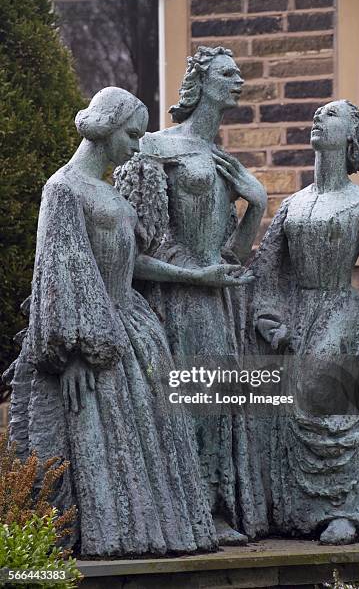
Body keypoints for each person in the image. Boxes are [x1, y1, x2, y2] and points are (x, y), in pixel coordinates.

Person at [6, 87, 251, 557]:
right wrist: (72, 354)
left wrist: (197, 275)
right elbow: (59, 274)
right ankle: (113, 539)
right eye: (132, 135)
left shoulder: (107, 191)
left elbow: (131, 262)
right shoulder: (63, 189)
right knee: (104, 446)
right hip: (96, 339)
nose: (137, 147)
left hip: (134, 331)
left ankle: (156, 533)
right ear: (106, 128)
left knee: (153, 444)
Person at [248, 100, 359, 544]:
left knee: (332, 411)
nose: (318, 118)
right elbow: (267, 271)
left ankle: (347, 509)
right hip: (296, 316)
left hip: (340, 312)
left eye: (331, 115)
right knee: (286, 410)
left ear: (353, 138)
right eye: (317, 113)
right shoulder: (292, 205)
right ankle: (294, 509)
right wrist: (271, 320)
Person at [140, 46, 269, 543]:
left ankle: (212, 508)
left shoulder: (227, 161)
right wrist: (194, 274)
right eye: (227, 72)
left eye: (239, 72)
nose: (238, 79)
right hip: (172, 296)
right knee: (182, 402)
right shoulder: (154, 147)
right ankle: (183, 509)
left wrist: (256, 204)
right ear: (199, 83)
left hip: (217, 298)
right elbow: (139, 242)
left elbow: (233, 255)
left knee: (214, 402)